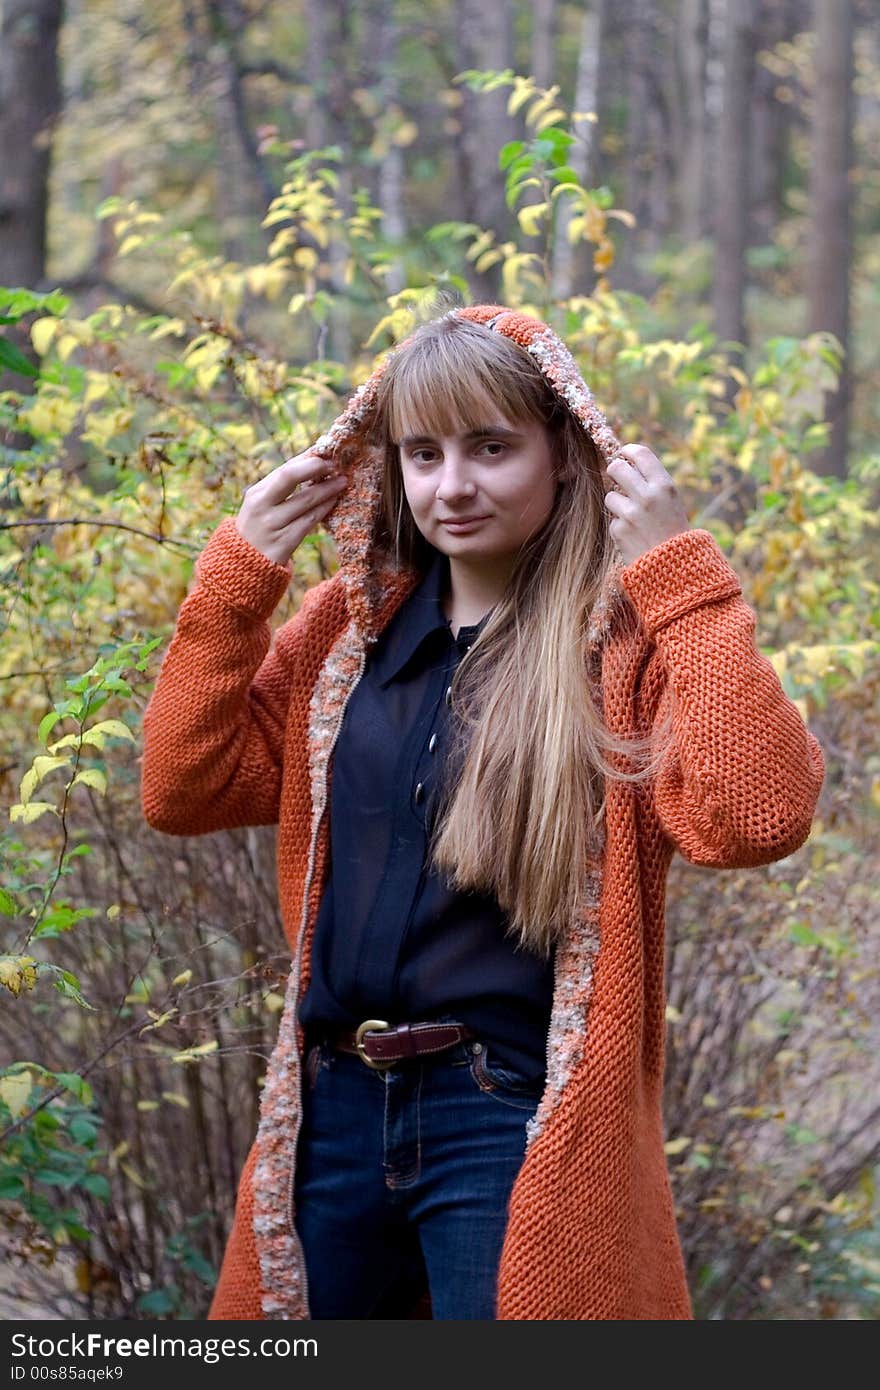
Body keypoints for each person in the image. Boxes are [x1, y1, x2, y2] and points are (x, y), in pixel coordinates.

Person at [140, 301, 825, 1320]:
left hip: (506, 1121)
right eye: (422, 454)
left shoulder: (623, 648)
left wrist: (685, 582)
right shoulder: (343, 635)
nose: (451, 486)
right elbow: (180, 790)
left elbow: (757, 813)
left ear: (563, 453)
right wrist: (238, 575)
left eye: (490, 448)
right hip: (330, 1113)